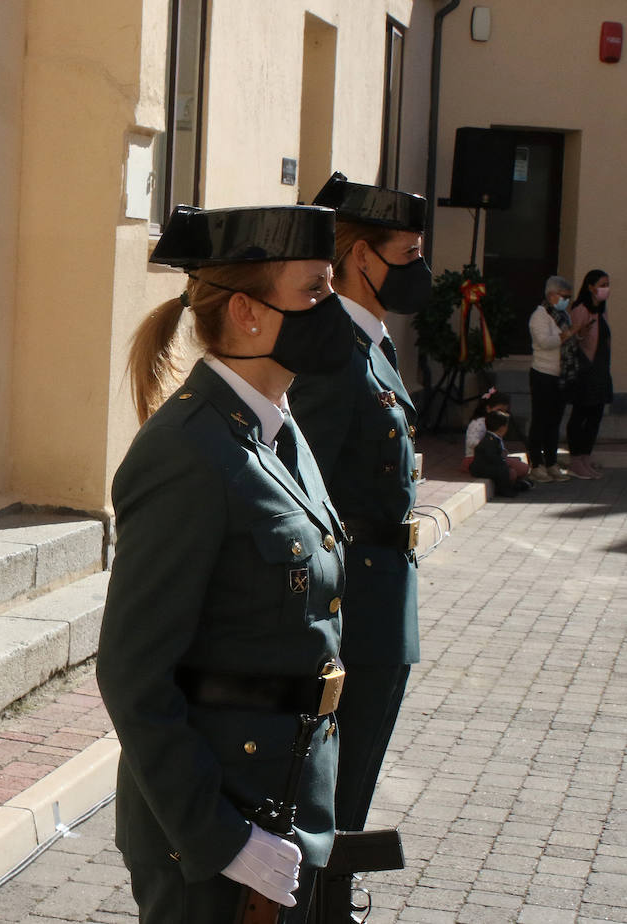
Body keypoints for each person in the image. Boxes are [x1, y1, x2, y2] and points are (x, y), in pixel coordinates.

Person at [99, 204, 349, 922]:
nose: (330, 311)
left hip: (285, 806)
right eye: (313, 293)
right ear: (246, 311)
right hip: (219, 839)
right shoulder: (189, 452)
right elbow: (132, 673)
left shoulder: (276, 430)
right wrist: (226, 841)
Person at [288, 174, 428, 859]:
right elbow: (305, 495)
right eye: (406, 252)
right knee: (331, 799)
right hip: (354, 606)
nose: (418, 269)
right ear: (362, 257)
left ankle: (327, 898)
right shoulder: (336, 354)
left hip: (384, 598)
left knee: (354, 786)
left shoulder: (373, 344)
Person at [526, 275, 582, 483]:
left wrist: (576, 334)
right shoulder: (540, 315)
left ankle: (551, 463)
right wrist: (567, 335)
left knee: (554, 422)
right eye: (564, 296)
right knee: (540, 420)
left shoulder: (562, 315)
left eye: (569, 297)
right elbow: (544, 342)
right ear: (551, 295)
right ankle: (537, 464)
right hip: (543, 374)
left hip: (561, 376)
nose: (566, 300)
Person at [565, 270, 613, 479]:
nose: (606, 288)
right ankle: (575, 459)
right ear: (591, 286)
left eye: (607, 284)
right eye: (602, 284)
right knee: (580, 415)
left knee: (595, 416)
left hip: (601, 370)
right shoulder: (581, 309)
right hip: (585, 370)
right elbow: (573, 337)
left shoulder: (601, 310)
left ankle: (586, 457)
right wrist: (583, 332)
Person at [462, 389, 529, 481]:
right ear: (488, 408)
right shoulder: (479, 423)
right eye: (499, 410)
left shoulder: (496, 423)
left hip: (492, 458)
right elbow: (471, 442)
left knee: (521, 467)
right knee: (515, 471)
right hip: (475, 460)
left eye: (505, 411)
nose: (502, 414)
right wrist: (488, 446)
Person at [470, 410, 533, 496]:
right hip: (484, 467)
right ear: (502, 428)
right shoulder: (489, 440)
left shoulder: (495, 438)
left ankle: (518, 483)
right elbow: (492, 457)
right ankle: (504, 490)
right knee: (506, 472)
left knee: (519, 467)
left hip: (493, 463)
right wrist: (504, 464)